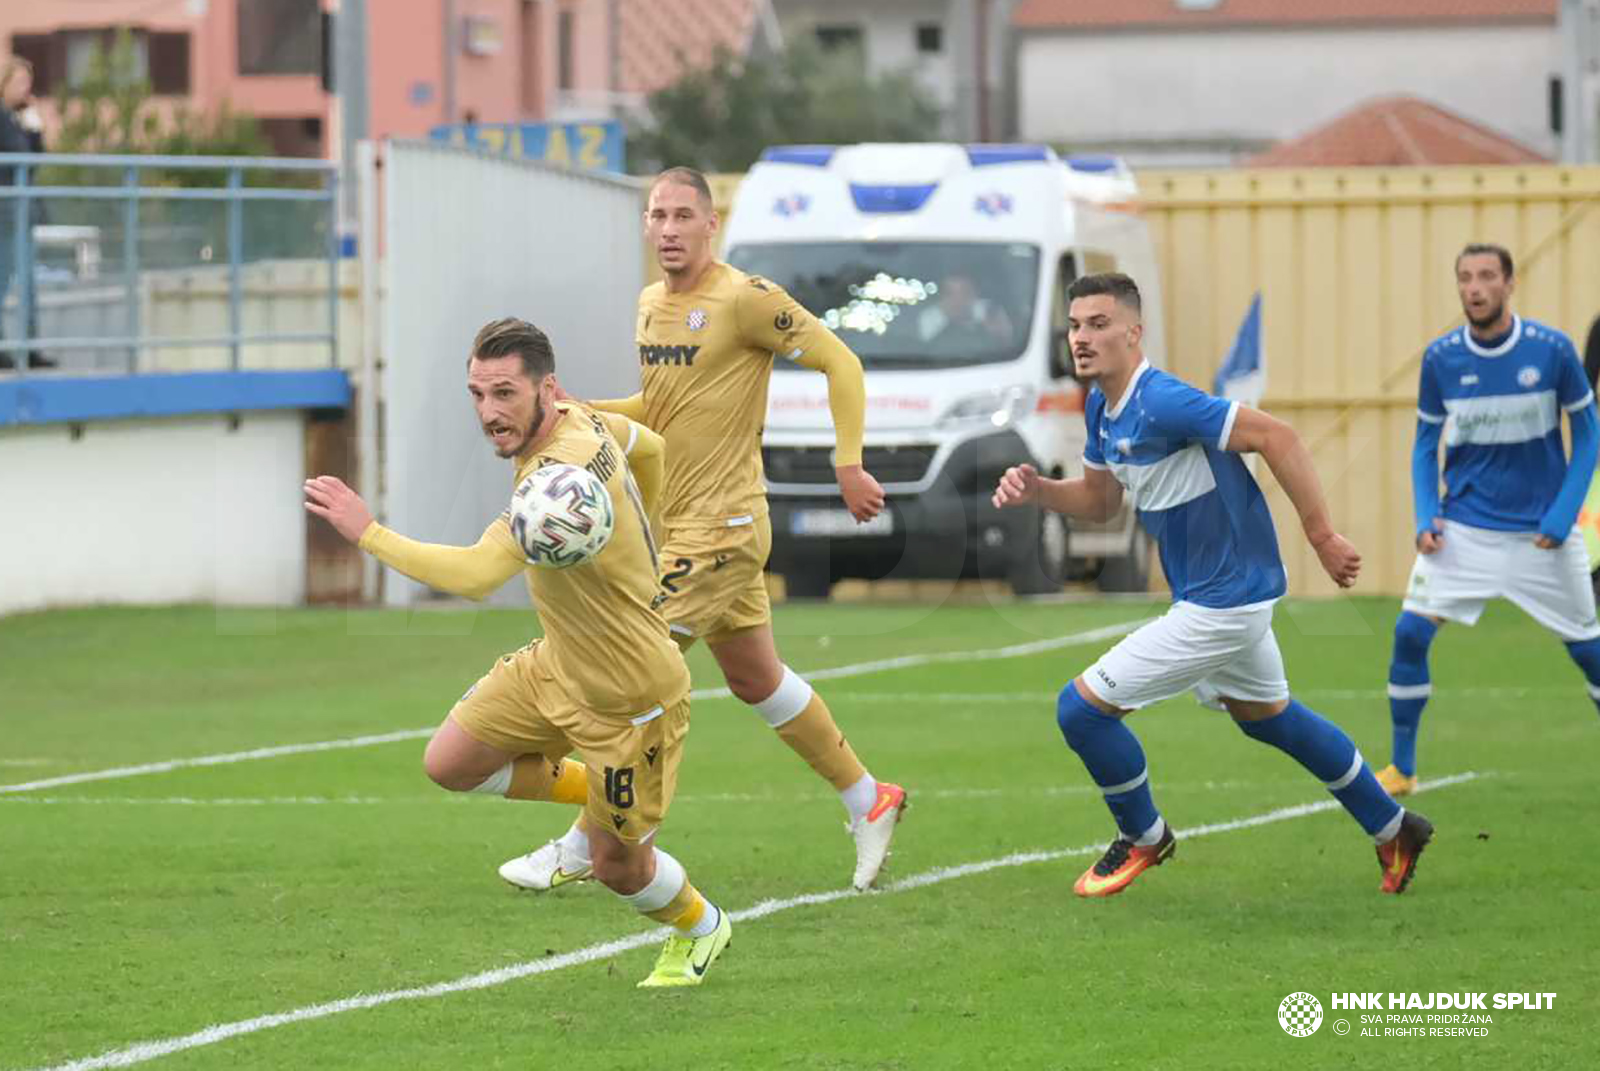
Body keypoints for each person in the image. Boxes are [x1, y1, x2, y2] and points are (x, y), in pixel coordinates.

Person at [501, 166, 907, 894]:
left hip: (723, 528)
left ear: (710, 223)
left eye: (682, 215)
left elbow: (840, 362)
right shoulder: (650, 304)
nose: (667, 229)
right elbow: (663, 407)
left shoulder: (745, 300)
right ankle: (867, 796)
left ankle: (581, 843)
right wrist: (581, 409)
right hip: (676, 522)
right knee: (756, 678)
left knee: (629, 666)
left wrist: (849, 462)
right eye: (656, 215)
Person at [304, 317, 732, 987]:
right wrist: (644, 530)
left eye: (504, 393)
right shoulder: (586, 423)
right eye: (477, 393)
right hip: (558, 661)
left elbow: (476, 577)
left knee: (621, 867)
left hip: (633, 698)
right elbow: (649, 446)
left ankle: (701, 925)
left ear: (546, 388)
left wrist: (369, 533)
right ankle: (593, 803)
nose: (489, 412)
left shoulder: (555, 484)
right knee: (451, 760)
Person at [992, 272, 1433, 898]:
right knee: (1269, 719)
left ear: (1133, 332)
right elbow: (1098, 501)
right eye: (1074, 325)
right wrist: (1040, 491)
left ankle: (1144, 836)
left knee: (1081, 711)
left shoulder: (1165, 401)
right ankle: (1394, 827)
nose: (1082, 337)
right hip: (1219, 597)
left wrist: (1322, 536)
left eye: (1098, 324)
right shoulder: (1100, 407)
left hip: (1223, 602)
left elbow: (1277, 436)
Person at [1376, 244, 1600, 796]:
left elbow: (1589, 435)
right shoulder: (1442, 358)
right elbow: (1426, 444)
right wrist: (1426, 513)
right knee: (1409, 634)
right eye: (1465, 278)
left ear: (1509, 283)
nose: (1474, 288)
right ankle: (1402, 769)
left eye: (1485, 277)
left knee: (1590, 653)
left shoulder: (1551, 351)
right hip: (1466, 530)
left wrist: (1563, 511)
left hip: (1541, 536)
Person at [917, 271, 1013, 349]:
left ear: (975, 295)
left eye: (965, 292)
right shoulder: (929, 318)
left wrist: (990, 329)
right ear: (941, 298)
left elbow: (1007, 345)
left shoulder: (990, 310)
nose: (958, 299)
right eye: (950, 293)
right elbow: (930, 351)